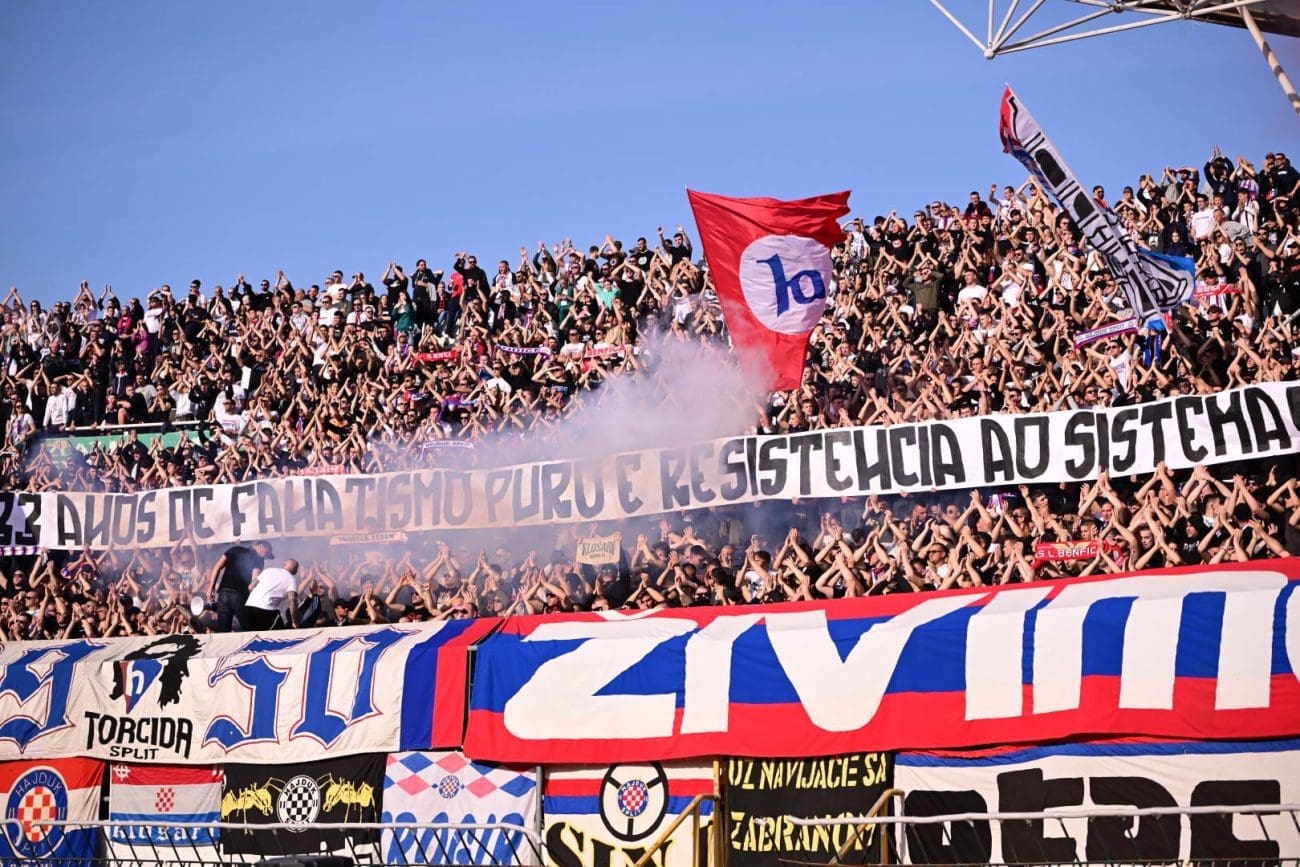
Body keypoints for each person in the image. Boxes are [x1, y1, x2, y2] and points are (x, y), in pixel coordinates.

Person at [206, 540, 273, 632]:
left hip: (223, 594)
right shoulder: (258, 559)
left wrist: (211, 589)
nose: (266, 557)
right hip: (240, 596)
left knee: (223, 631)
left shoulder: (234, 549)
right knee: (250, 629)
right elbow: (253, 584)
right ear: (260, 546)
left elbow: (217, 567)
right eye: (267, 553)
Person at [244, 558, 300, 631]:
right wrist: (295, 622)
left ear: (284, 565)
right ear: (295, 571)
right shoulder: (291, 580)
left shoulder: (268, 570)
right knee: (279, 633)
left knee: (253, 635)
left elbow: (250, 587)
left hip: (249, 607)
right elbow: (292, 601)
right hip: (267, 610)